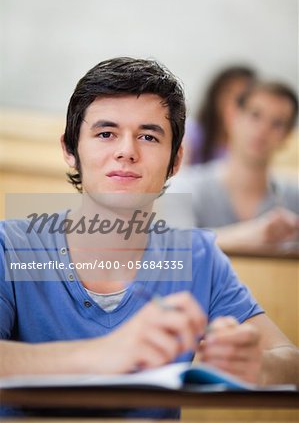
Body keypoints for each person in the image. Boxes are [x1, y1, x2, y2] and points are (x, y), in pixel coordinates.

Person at [0, 59, 298, 420]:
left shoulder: (198, 256)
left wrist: (259, 367)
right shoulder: (11, 246)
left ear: (176, 161)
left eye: (148, 136)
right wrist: (108, 354)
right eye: (106, 133)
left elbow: (289, 359)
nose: (127, 151)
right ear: (69, 149)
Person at [170, 80, 299, 254]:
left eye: (277, 123)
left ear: (287, 136)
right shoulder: (185, 186)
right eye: (255, 115)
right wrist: (253, 235)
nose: (263, 130)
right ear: (232, 116)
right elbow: (172, 248)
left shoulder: (294, 198)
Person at [183, 65, 256, 165]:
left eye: (242, 97)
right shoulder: (191, 132)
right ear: (215, 95)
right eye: (228, 93)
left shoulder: (256, 145)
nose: (233, 102)